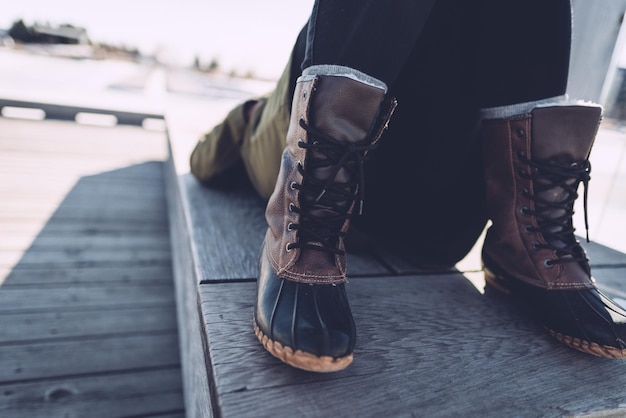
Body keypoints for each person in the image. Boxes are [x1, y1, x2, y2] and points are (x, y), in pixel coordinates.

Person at [190, 0, 626, 373]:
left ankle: (524, 245)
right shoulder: (274, 118)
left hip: (433, 212)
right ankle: (288, 199)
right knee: (225, 149)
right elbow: (201, 164)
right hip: (317, 176)